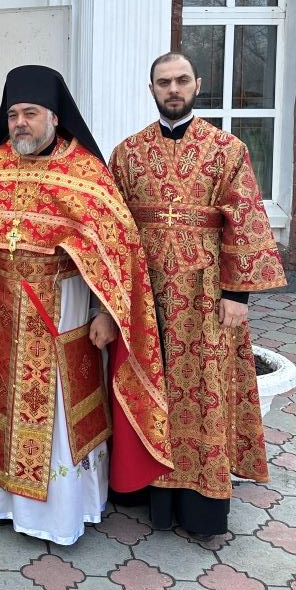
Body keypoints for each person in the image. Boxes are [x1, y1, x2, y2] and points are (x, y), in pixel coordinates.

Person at [0, 65, 172, 545]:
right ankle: (4, 502)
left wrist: (105, 314)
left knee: (63, 408)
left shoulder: (85, 171)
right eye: (13, 115)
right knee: (4, 398)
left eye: (30, 113)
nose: (20, 123)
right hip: (6, 306)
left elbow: (114, 252)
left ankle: (63, 513)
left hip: (65, 304)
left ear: (54, 116)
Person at [109, 51, 286, 536]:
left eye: (181, 80)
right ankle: (143, 489)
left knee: (203, 391)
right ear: (151, 89)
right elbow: (112, 227)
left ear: (197, 84)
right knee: (146, 383)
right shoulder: (127, 152)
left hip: (205, 296)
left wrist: (237, 296)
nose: (173, 89)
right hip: (145, 294)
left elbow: (246, 220)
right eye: (164, 82)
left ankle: (200, 504)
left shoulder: (227, 149)